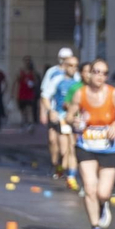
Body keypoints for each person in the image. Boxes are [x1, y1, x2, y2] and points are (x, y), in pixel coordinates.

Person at [66, 57, 115, 229]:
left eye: (103, 73)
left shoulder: (114, 94)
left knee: (103, 192)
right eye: (96, 71)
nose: (99, 76)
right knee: (90, 187)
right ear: (89, 74)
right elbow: (68, 116)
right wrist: (73, 121)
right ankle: (95, 227)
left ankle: (103, 203)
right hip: (86, 145)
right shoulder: (80, 94)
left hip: (109, 147)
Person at [41, 50, 78, 180]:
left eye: (75, 66)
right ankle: (55, 164)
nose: (73, 68)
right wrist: (49, 111)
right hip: (56, 116)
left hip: (70, 119)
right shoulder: (54, 76)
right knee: (52, 141)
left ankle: (66, 170)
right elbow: (45, 95)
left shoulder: (79, 80)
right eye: (70, 64)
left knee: (66, 147)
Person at [15, 56, 40, 131]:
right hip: (22, 93)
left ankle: (30, 124)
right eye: (26, 61)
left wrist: (32, 84)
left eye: (29, 61)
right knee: (23, 110)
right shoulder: (21, 71)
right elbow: (17, 80)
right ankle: (24, 123)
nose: (27, 63)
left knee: (29, 109)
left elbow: (36, 82)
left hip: (29, 93)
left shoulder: (33, 72)